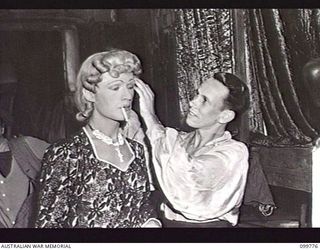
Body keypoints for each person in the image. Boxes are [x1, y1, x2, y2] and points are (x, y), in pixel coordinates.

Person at [35, 49, 160, 228]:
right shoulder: (67, 153)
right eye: (115, 87)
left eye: (130, 86)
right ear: (90, 94)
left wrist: (152, 222)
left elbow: (143, 208)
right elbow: (48, 227)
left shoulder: (137, 150)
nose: (127, 96)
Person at [134, 72, 250, 227]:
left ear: (225, 116)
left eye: (204, 100)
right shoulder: (179, 140)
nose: (192, 102)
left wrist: (150, 117)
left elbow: (187, 176)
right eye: (197, 94)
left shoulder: (234, 153)